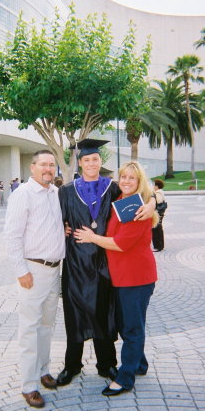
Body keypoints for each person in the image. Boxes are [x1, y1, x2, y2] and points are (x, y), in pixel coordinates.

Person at [56, 139, 156, 386]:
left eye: (95, 159)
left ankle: (106, 364)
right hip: (76, 264)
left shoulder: (113, 188)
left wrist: (153, 203)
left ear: (101, 162)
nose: (91, 163)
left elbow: (144, 193)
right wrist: (64, 228)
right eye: (87, 160)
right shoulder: (66, 191)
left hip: (104, 264)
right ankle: (72, 365)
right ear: (80, 163)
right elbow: (53, 220)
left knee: (103, 313)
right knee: (74, 315)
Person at [4, 150, 65, 408]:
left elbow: (51, 226)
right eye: (43, 165)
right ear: (32, 168)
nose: (48, 169)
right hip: (33, 271)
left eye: (51, 165)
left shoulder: (53, 193)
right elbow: (12, 236)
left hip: (54, 271)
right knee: (29, 328)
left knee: (46, 326)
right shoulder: (22, 195)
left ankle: (43, 371)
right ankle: (29, 386)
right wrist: (21, 271)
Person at [152, 179, 166, 252]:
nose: (153, 186)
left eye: (154, 185)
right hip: (160, 213)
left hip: (157, 213)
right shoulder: (160, 192)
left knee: (156, 229)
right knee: (158, 229)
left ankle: (158, 246)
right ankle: (160, 245)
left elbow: (158, 202)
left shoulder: (158, 193)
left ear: (157, 186)